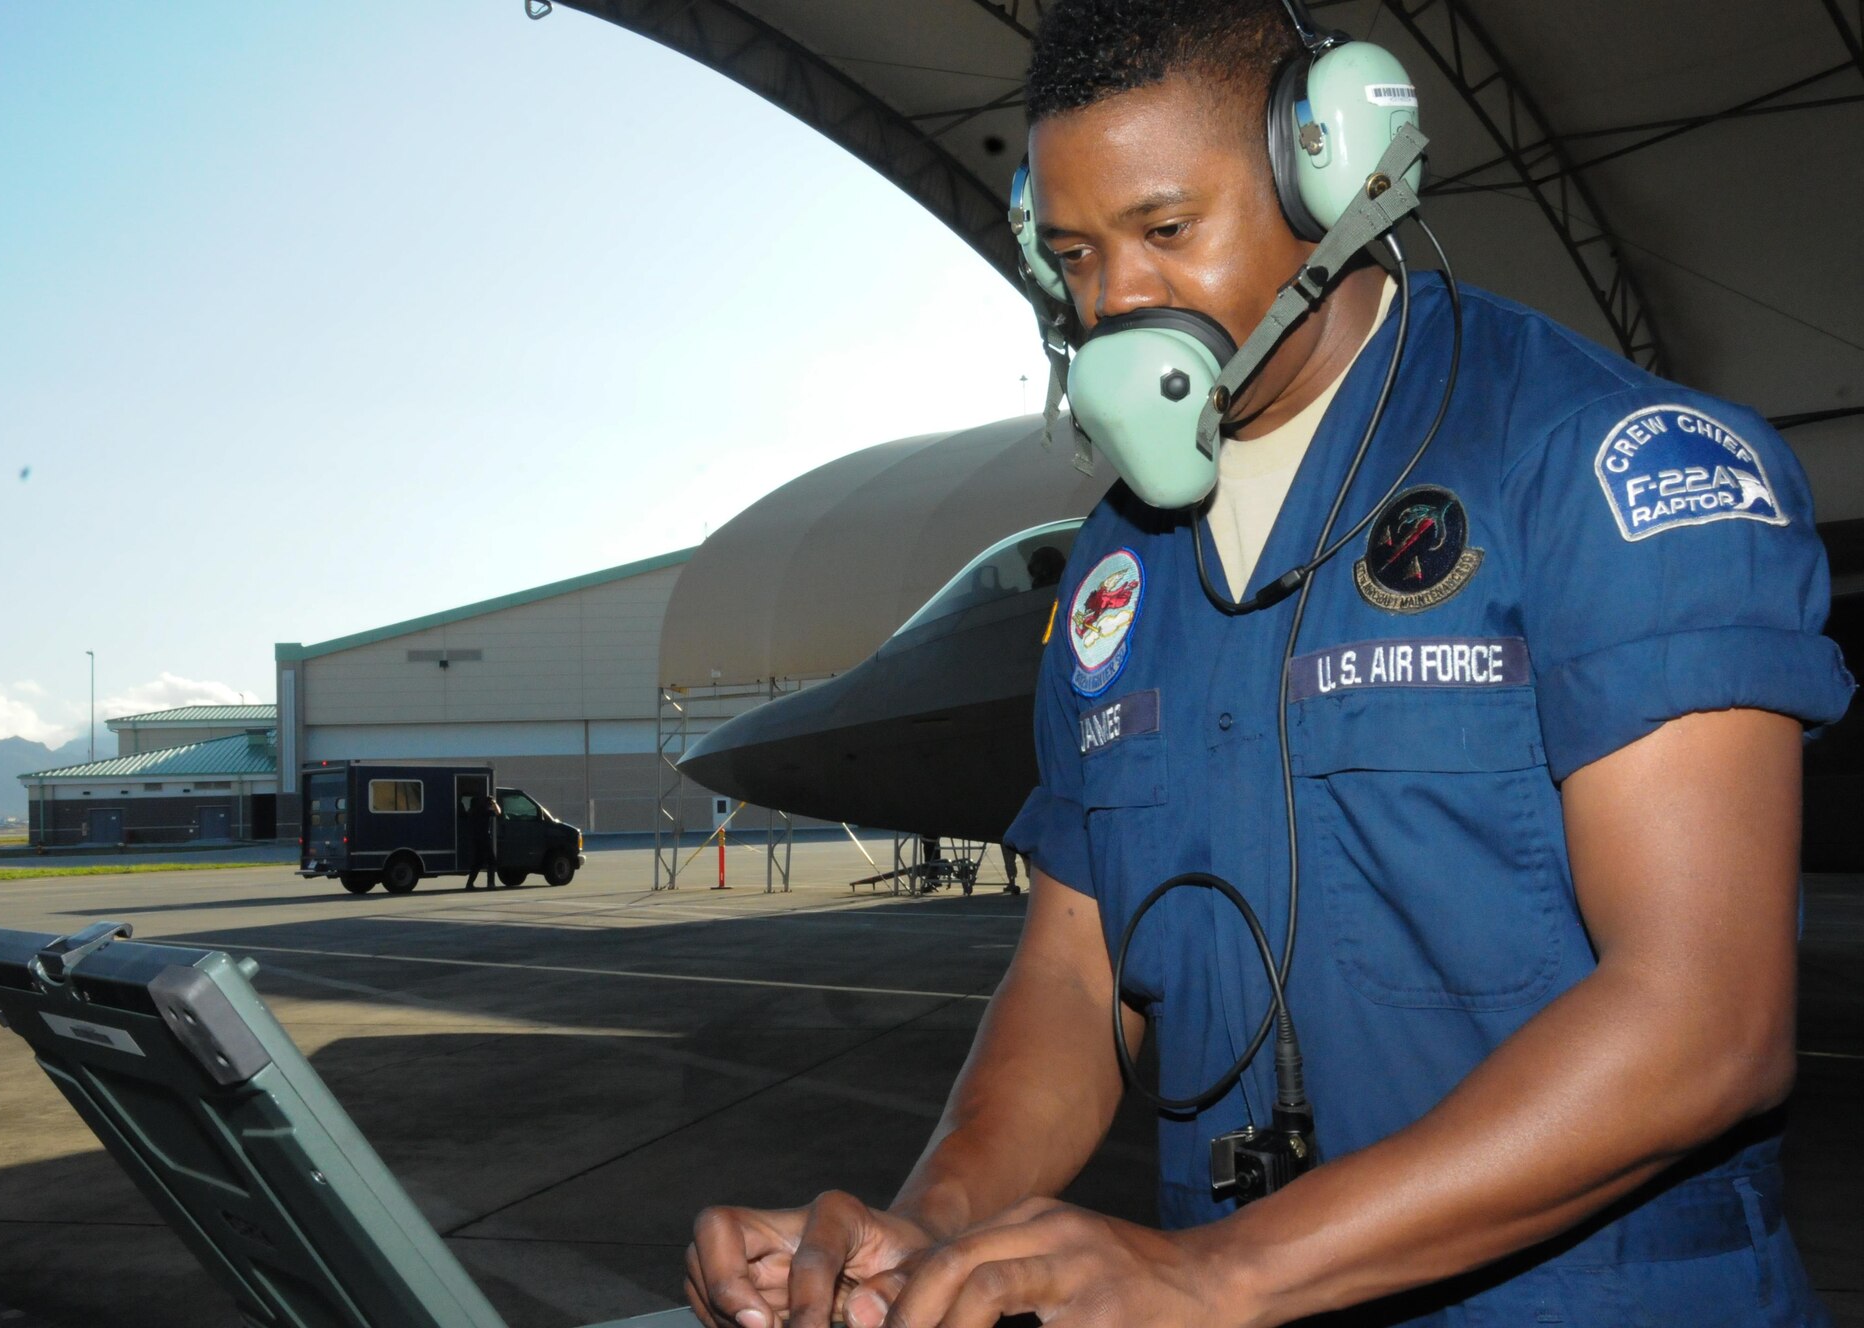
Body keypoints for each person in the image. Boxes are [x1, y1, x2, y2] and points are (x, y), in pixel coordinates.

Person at [685, 2, 1853, 1326]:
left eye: (1167, 231)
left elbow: (1710, 1017)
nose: (1116, 299)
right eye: (1074, 253)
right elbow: (1076, 980)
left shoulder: (1603, 467)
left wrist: (1219, 1271)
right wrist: (928, 1226)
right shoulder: (1116, 577)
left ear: (1333, 172)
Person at [463, 793, 500, 891]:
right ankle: (491, 884)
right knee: (491, 861)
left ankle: (469, 884)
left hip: (475, 839)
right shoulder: (485, 811)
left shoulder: (471, 811)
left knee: (477, 862)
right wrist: (494, 802)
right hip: (484, 839)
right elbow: (498, 812)